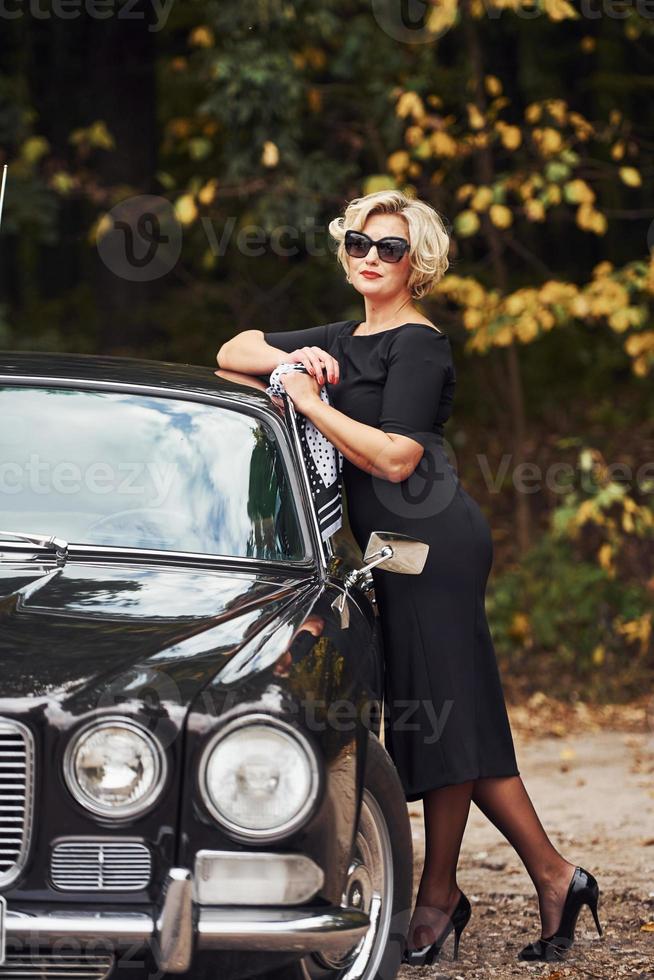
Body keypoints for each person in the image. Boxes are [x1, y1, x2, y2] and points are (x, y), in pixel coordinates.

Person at [215, 189, 602, 966]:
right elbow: (231, 352)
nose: (369, 256)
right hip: (395, 548)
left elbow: (394, 457)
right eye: (359, 242)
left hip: (434, 546)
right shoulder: (347, 336)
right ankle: (547, 879)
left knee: (442, 715)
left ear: (416, 263)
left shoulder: (418, 345)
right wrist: (297, 359)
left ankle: (446, 897)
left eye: (388, 248)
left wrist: (302, 396)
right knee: (451, 717)